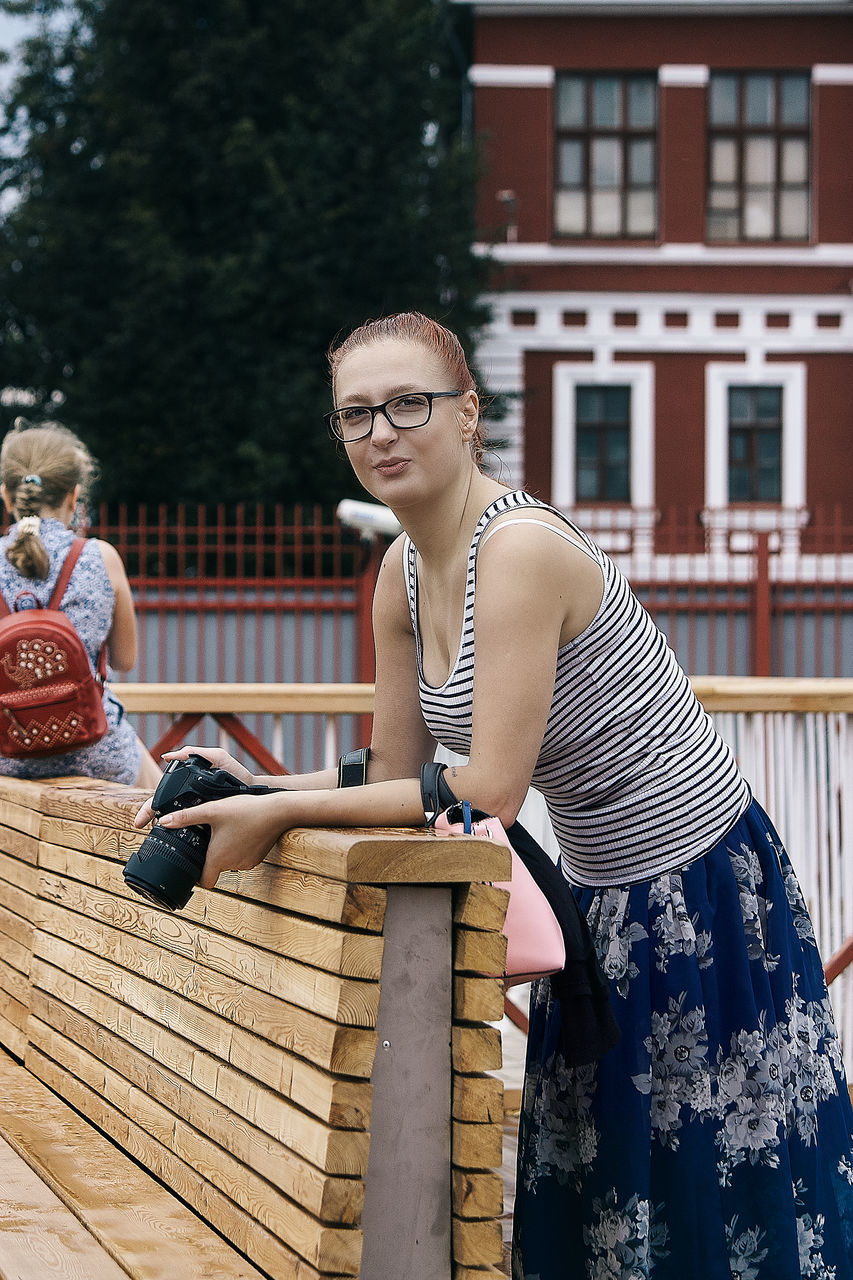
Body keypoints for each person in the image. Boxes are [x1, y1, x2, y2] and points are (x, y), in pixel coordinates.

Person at [135, 312, 853, 1278]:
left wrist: (279, 810)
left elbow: (486, 791)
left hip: (699, 896)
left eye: (407, 404)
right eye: (355, 415)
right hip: (601, 897)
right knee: (606, 1185)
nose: (381, 432)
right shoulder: (399, 569)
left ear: (467, 414)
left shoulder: (515, 549)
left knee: (710, 1197)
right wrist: (246, 785)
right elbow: (395, 775)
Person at [0, 420, 161, 788]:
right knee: (162, 792)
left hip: (6, 754)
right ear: (74, 496)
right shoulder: (100, 558)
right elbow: (124, 660)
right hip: (94, 752)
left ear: (7, 497)